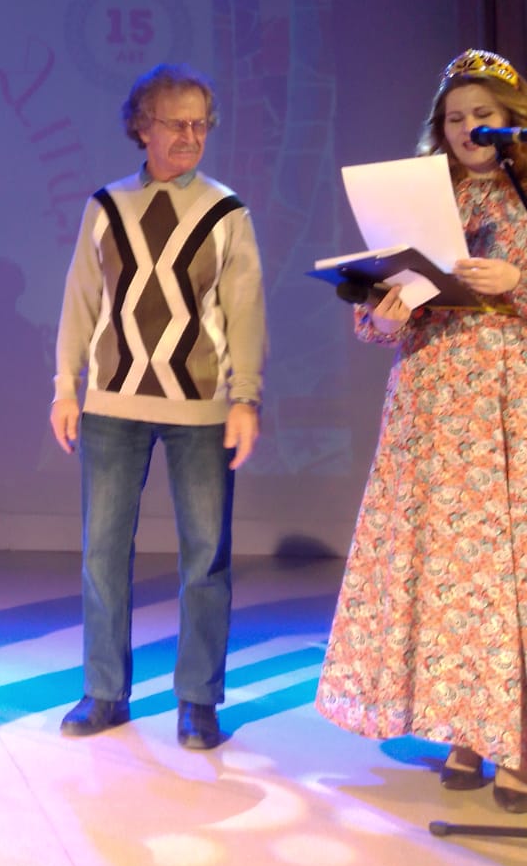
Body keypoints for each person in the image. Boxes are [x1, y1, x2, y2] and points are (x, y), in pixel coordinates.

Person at [316, 48, 527, 811]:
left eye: (484, 115)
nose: (469, 128)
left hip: (508, 404)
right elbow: (379, 330)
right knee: (449, 574)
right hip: (431, 405)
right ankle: (466, 732)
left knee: (505, 574)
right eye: (455, 117)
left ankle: (517, 745)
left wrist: (519, 281)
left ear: (512, 121)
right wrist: (384, 311)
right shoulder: (425, 202)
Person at [50, 63, 265, 749]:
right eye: (177, 123)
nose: (191, 136)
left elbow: (245, 310)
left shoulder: (227, 211)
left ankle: (198, 699)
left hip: (200, 405)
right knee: (103, 553)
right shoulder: (106, 206)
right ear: (142, 128)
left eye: (201, 124)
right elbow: (81, 301)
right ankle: (103, 691)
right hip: (113, 403)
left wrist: (246, 397)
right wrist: (65, 386)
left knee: (205, 556)